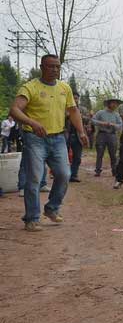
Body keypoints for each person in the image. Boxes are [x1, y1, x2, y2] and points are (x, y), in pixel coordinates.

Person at [10, 54, 88, 231]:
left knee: (64, 174)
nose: (55, 70)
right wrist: (32, 122)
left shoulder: (64, 88)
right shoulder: (30, 87)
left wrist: (81, 131)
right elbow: (14, 110)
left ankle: (52, 208)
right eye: (51, 66)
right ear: (41, 67)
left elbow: (73, 111)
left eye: (57, 67)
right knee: (35, 178)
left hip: (58, 138)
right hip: (34, 138)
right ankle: (32, 218)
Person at [92, 98, 123, 177]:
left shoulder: (117, 115)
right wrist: (102, 123)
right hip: (101, 134)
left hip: (112, 135)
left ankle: (114, 171)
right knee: (100, 153)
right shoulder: (100, 112)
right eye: (113, 103)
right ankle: (98, 170)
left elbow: (120, 125)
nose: (114, 105)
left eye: (116, 103)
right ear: (108, 104)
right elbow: (93, 120)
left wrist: (113, 125)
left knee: (113, 154)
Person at [67, 91, 92, 182]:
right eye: (73, 98)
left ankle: (74, 175)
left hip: (79, 135)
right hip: (66, 134)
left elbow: (88, 119)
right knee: (62, 156)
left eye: (76, 98)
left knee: (77, 157)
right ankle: (61, 175)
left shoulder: (83, 109)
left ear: (78, 99)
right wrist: (68, 115)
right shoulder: (65, 107)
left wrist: (78, 116)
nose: (75, 100)